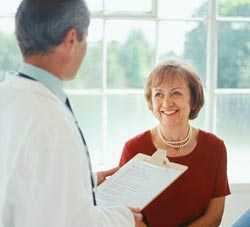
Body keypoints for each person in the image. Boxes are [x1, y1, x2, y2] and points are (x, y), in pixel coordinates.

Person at [0, 0, 147, 226]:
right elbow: (71, 221)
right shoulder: (51, 119)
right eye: (85, 38)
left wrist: (86, 182)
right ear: (71, 39)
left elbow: (23, 183)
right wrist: (126, 220)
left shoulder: (8, 96)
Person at [119, 60, 230, 227]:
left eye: (176, 93)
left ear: (193, 99)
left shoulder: (215, 148)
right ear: (151, 101)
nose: (166, 102)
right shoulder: (134, 148)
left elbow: (214, 217)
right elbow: (124, 213)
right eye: (158, 94)